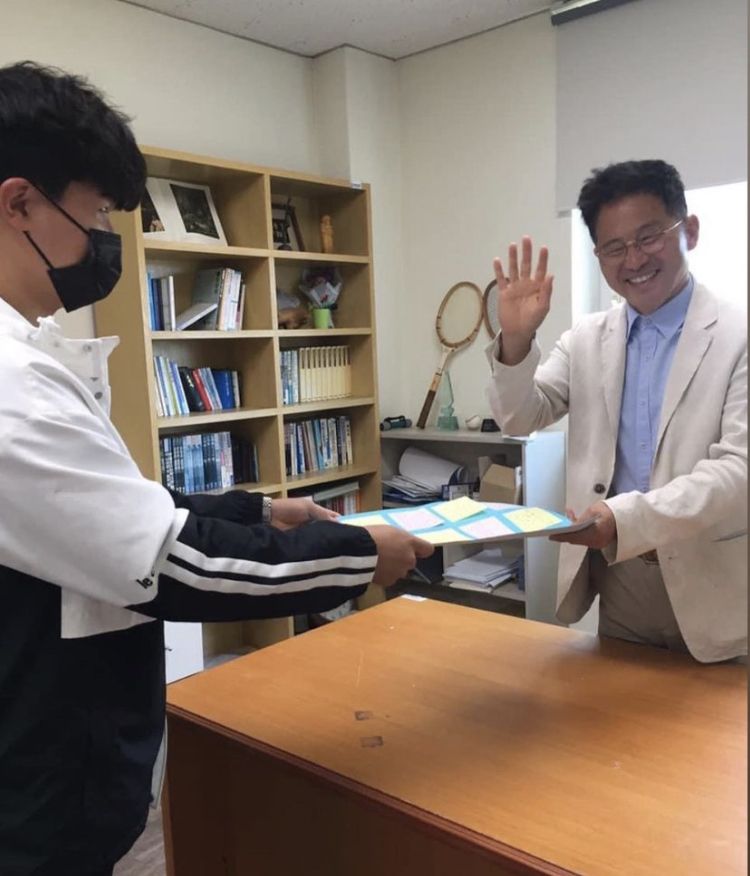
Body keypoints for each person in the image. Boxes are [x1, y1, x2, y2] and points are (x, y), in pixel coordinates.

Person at [0, 61, 433, 875]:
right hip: (34, 789)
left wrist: (256, 512)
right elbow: (171, 565)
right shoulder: (10, 384)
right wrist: (360, 554)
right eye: (94, 214)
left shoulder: (23, 356)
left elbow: (107, 509)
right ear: (19, 203)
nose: (102, 240)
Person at [486, 159, 747, 664]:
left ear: (689, 230)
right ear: (598, 256)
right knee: (616, 709)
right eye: (614, 247)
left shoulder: (739, 335)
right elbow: (520, 418)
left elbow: (738, 469)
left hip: (715, 575)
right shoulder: (587, 338)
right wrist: (516, 340)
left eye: (649, 237)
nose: (634, 259)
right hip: (621, 576)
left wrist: (621, 517)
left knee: (719, 715)